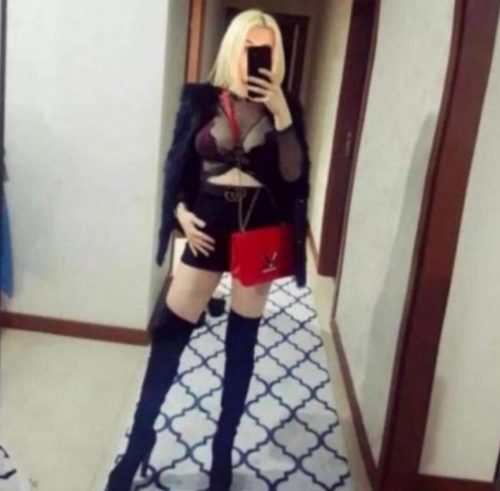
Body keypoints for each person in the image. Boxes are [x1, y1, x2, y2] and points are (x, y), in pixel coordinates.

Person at [104, 8, 310, 491]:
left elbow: (293, 175)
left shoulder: (287, 108)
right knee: (169, 338)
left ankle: (222, 449)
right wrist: (179, 212)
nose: (257, 57)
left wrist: (282, 116)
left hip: (258, 232)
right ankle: (139, 441)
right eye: (250, 47)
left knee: (241, 345)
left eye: (267, 49)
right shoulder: (200, 100)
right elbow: (178, 164)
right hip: (207, 228)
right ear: (233, 48)